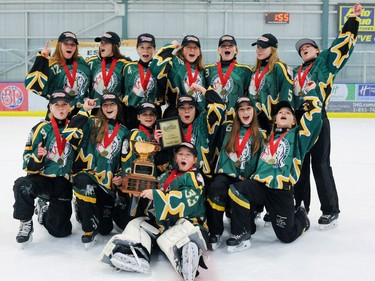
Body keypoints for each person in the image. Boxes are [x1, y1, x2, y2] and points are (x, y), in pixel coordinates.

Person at [226, 81, 322, 253]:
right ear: (275, 121)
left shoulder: (299, 138)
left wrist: (312, 93)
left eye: (288, 113)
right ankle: (243, 232)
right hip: (261, 187)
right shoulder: (265, 138)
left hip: (281, 192)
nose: (283, 114)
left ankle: (301, 217)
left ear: (294, 121)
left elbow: (315, 118)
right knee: (236, 190)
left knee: (286, 236)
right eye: (280, 113)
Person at [292, 3, 362, 230]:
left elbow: (341, 46)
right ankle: (300, 206)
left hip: (318, 119)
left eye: (308, 47)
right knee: (299, 165)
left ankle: (330, 210)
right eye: (301, 49)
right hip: (299, 121)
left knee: (320, 165)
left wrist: (353, 20)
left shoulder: (325, 63)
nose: (304, 49)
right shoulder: (295, 73)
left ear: (316, 51)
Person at [99, 142, 208, 281]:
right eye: (180, 154)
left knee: (180, 232)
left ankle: (187, 254)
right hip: (163, 225)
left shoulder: (195, 176)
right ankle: (137, 254)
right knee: (138, 223)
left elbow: (187, 200)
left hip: (189, 223)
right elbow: (151, 193)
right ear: (175, 158)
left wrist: (156, 195)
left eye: (188, 155)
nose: (183, 157)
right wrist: (130, 187)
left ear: (195, 160)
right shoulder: (166, 176)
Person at [62, 93, 130, 248]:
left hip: (107, 184)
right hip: (88, 175)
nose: (109, 107)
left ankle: (83, 207)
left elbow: (125, 160)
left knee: (105, 229)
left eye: (112, 104)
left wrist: (120, 176)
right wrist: (85, 109)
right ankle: (88, 229)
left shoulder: (124, 131)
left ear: (118, 107)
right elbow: (69, 134)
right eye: (105, 105)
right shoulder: (92, 122)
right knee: (84, 183)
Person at [13, 90, 76, 246]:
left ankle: (43, 212)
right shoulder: (40, 129)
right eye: (57, 105)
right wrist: (37, 157)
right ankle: (26, 222)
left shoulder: (76, 129)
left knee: (61, 231)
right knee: (22, 185)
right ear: (50, 107)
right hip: (42, 180)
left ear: (69, 107)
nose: (61, 108)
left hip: (63, 183)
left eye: (64, 105)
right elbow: (26, 162)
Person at [205, 97, 265, 250]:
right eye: (241, 109)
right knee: (216, 187)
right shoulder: (227, 128)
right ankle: (215, 231)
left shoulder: (261, 134)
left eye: (248, 109)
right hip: (227, 174)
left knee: (250, 226)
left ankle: (242, 232)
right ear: (237, 112)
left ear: (254, 111)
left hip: (246, 180)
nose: (245, 112)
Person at [112, 101, 165, 230]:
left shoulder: (159, 136)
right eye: (144, 114)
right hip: (135, 187)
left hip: (152, 185)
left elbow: (162, 164)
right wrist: (123, 179)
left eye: (152, 114)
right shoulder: (134, 135)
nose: (148, 117)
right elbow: (126, 162)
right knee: (130, 222)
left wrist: (160, 146)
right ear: (138, 117)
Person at [25, 31, 91, 119]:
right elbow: (32, 86)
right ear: (59, 45)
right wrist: (41, 60)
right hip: (58, 112)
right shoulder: (51, 64)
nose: (69, 46)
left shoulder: (82, 63)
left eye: (73, 44)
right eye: (66, 43)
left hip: (80, 112)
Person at [174, 87, 225, 178]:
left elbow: (219, 105)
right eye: (182, 108)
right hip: (177, 175)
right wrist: (160, 143)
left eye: (190, 107)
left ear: (195, 109)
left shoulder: (202, 123)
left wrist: (202, 89)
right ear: (178, 111)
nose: (186, 111)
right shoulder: (172, 127)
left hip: (200, 176)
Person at [150, 35, 206, 118]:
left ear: (199, 52)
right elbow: (154, 68)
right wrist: (170, 46)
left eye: (195, 48)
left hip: (197, 115)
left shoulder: (203, 70)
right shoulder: (175, 63)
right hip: (175, 113)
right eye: (188, 47)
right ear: (182, 50)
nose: (192, 50)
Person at [248, 33, 294, 133]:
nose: (259, 50)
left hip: (272, 121)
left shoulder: (279, 67)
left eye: (263, 48)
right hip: (255, 120)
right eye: (258, 47)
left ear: (272, 50)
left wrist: (281, 118)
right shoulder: (254, 70)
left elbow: (286, 92)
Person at [204, 35, 252, 123]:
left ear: (236, 50)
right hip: (213, 117)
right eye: (223, 46)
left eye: (230, 46)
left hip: (235, 118)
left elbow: (249, 95)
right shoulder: (208, 70)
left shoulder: (245, 70)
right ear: (218, 50)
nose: (227, 47)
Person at [122, 33, 161, 130]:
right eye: (142, 47)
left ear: (154, 49)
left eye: (149, 47)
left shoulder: (159, 68)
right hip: (132, 112)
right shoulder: (129, 67)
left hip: (152, 113)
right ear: (137, 49)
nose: (145, 51)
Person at [87, 31, 130, 114]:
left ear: (115, 46)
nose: (101, 45)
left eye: (106, 43)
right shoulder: (92, 63)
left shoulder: (124, 64)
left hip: (115, 110)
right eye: (101, 42)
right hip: (96, 110)